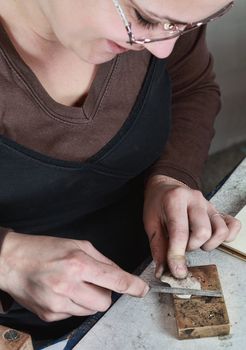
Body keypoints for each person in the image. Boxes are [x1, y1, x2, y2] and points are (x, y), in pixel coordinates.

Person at [0, 0, 241, 340]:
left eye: (185, 26)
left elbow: (190, 88)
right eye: (143, 19)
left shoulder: (169, 18)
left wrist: (171, 176)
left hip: (145, 289)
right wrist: (7, 260)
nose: (163, 49)